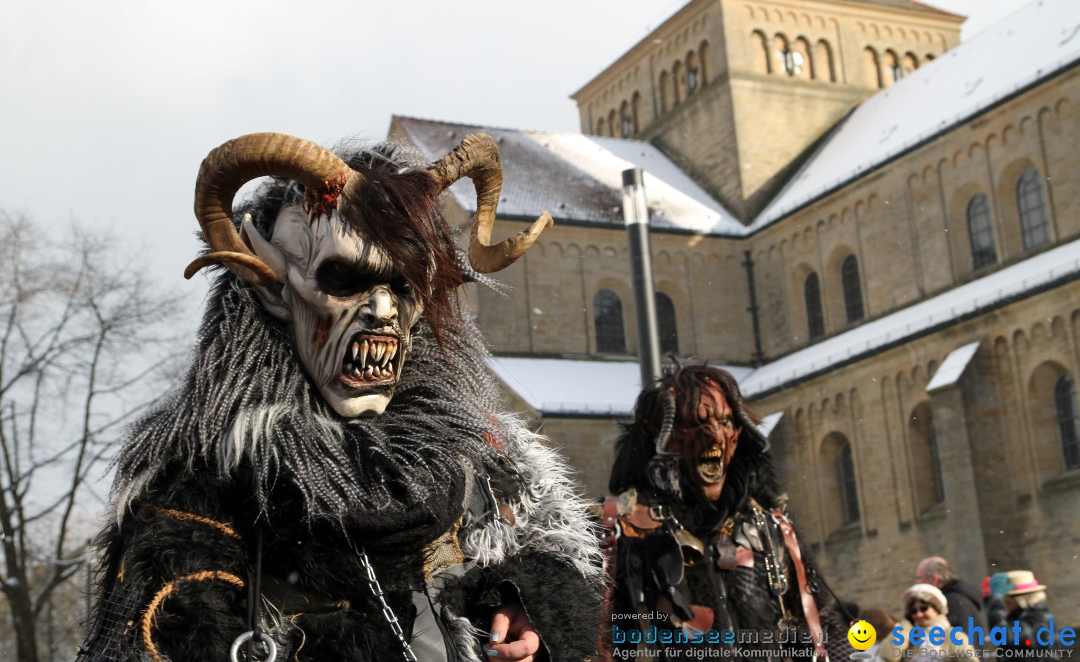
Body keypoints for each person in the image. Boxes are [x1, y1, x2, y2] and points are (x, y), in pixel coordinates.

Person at [77, 133, 603, 661]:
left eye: (402, 286)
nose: (382, 310)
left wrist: (525, 604)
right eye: (344, 277)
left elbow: (550, 547)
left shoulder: (482, 454)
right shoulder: (197, 486)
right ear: (272, 286)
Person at [603, 361, 845, 658]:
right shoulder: (622, 532)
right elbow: (592, 641)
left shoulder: (770, 528)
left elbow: (820, 626)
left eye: (725, 421)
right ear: (659, 435)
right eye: (695, 424)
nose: (715, 436)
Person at [875, 584, 973, 662]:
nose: (919, 614)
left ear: (937, 608)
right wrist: (906, 624)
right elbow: (889, 656)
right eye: (913, 611)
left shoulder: (955, 636)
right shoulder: (910, 636)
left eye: (924, 608)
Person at [984, 570, 1064, 659]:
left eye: (1004, 601)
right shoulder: (1027, 616)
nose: (1003, 606)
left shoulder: (1038, 620)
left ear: (1014, 602)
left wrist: (995, 600)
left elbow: (1002, 635)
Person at [915, 556, 987, 631]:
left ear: (934, 579)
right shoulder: (960, 599)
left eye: (919, 578)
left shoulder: (951, 604)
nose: (917, 584)